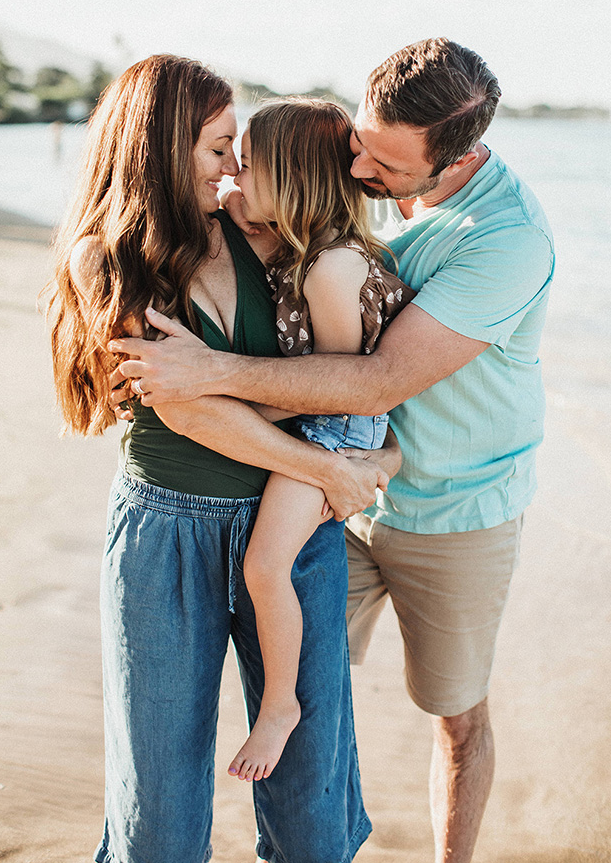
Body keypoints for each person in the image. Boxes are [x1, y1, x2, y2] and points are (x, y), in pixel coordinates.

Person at [108, 38, 556, 863]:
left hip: (450, 509)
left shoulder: (507, 239)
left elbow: (371, 381)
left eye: (381, 161)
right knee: (313, 702)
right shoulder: (369, 188)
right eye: (357, 138)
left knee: (455, 715)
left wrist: (214, 375)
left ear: (450, 160)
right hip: (345, 504)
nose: (357, 165)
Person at [45, 54, 396, 863]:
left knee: (312, 796)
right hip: (167, 535)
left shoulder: (256, 231)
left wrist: (375, 460)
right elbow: (186, 408)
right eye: (216, 148)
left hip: (293, 530)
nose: (235, 168)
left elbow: (343, 368)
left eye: (239, 147)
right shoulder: (107, 257)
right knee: (159, 803)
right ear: (162, 148)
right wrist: (326, 469)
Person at [212, 98, 414, 784]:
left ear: (291, 176)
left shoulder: (329, 268)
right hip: (326, 418)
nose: (235, 171)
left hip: (336, 428)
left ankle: (279, 707)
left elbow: (334, 384)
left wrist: (236, 410)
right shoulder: (313, 247)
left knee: (265, 568)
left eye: (251, 163)